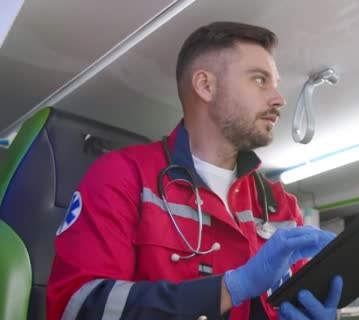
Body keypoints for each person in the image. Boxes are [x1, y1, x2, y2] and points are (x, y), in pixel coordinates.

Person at [47, 21, 342, 320]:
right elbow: (76, 307)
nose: (278, 98)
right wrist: (231, 288)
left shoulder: (280, 205)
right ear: (205, 86)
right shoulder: (122, 177)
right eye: (259, 80)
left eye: (275, 83)